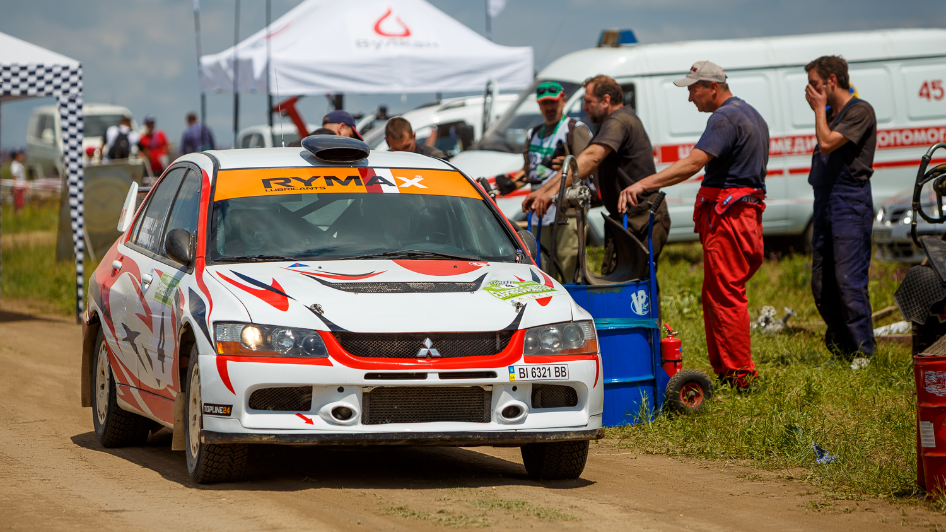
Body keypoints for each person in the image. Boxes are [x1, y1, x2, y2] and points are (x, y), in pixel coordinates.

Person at [619, 61, 769, 391]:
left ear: (713, 87)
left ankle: (741, 377)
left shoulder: (725, 118)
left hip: (730, 218)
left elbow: (693, 163)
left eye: (693, 89)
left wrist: (643, 184)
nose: (690, 98)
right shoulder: (751, 114)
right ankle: (729, 372)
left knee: (725, 296)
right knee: (718, 295)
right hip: (743, 217)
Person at [531, 75, 669, 273]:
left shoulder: (618, 120)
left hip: (641, 218)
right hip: (627, 218)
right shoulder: (610, 122)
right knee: (622, 280)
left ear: (605, 100)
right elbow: (581, 162)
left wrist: (548, 193)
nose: (584, 107)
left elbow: (592, 158)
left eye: (588, 101)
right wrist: (541, 192)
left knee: (636, 284)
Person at [804, 55, 877, 368]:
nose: (810, 90)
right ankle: (842, 349)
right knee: (822, 284)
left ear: (832, 81)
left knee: (849, 281)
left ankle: (863, 352)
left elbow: (827, 143)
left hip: (850, 204)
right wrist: (823, 111)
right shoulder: (831, 115)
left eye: (814, 84)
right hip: (825, 202)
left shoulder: (860, 111)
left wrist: (819, 110)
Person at [516, 81, 592, 282]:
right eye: (545, 103)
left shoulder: (574, 129)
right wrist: (505, 184)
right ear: (539, 105)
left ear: (564, 101)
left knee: (569, 274)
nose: (549, 107)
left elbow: (588, 167)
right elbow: (528, 171)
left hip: (568, 214)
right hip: (540, 214)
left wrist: (568, 165)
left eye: (553, 102)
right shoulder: (533, 134)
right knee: (543, 275)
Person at [10, 148, 27, 215]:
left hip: (20, 186)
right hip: (18, 187)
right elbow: (14, 176)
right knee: (19, 205)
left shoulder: (19, 165)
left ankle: (14, 218)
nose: (22, 156)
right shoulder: (14, 164)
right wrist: (15, 187)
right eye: (20, 154)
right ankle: (18, 218)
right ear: (16, 156)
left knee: (18, 204)